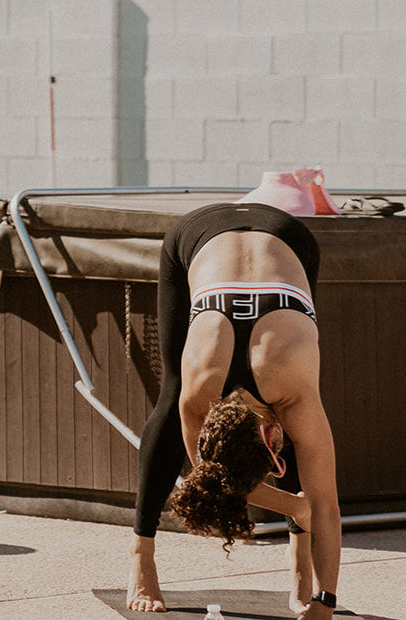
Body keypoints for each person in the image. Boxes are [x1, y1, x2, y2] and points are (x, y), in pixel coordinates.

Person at [127, 196, 339, 618]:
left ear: (266, 434)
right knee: (170, 395)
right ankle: (141, 554)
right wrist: (297, 505)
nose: (280, 456)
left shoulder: (293, 387)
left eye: (273, 458)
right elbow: (209, 479)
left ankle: (301, 571)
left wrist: (324, 601)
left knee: (304, 438)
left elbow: (326, 508)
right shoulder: (197, 395)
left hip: (285, 236)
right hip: (202, 238)